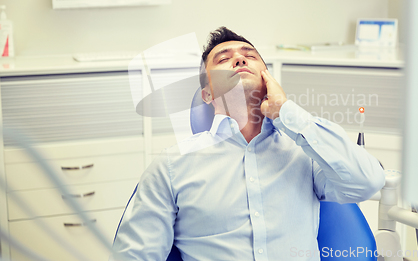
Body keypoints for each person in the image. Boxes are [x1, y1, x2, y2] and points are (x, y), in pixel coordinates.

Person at [111, 27, 385, 261]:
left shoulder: (305, 152)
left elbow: (368, 182)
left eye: (250, 56)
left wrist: (285, 111)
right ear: (207, 93)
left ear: (268, 78)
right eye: (223, 58)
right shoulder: (171, 165)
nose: (240, 59)